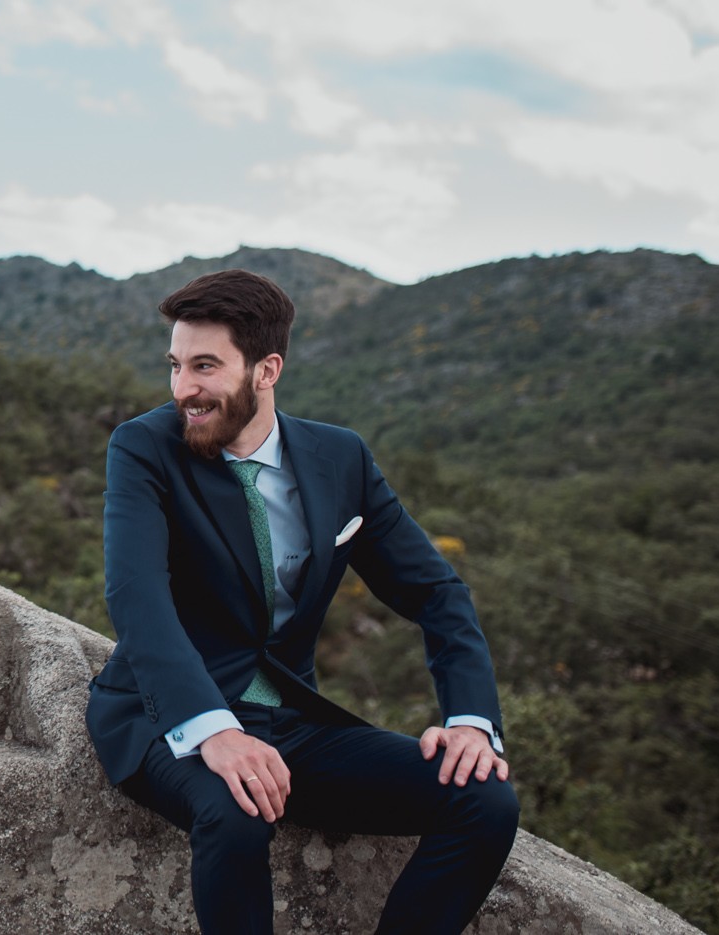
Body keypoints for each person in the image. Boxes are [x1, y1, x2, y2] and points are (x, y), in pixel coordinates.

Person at [87, 269, 519, 935]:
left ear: (266, 369)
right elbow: (136, 594)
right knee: (236, 814)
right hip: (163, 717)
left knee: (484, 799)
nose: (183, 389)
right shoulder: (145, 447)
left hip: (292, 722)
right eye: (174, 365)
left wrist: (469, 720)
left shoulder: (340, 458)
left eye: (205, 366)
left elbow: (435, 590)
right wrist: (214, 728)